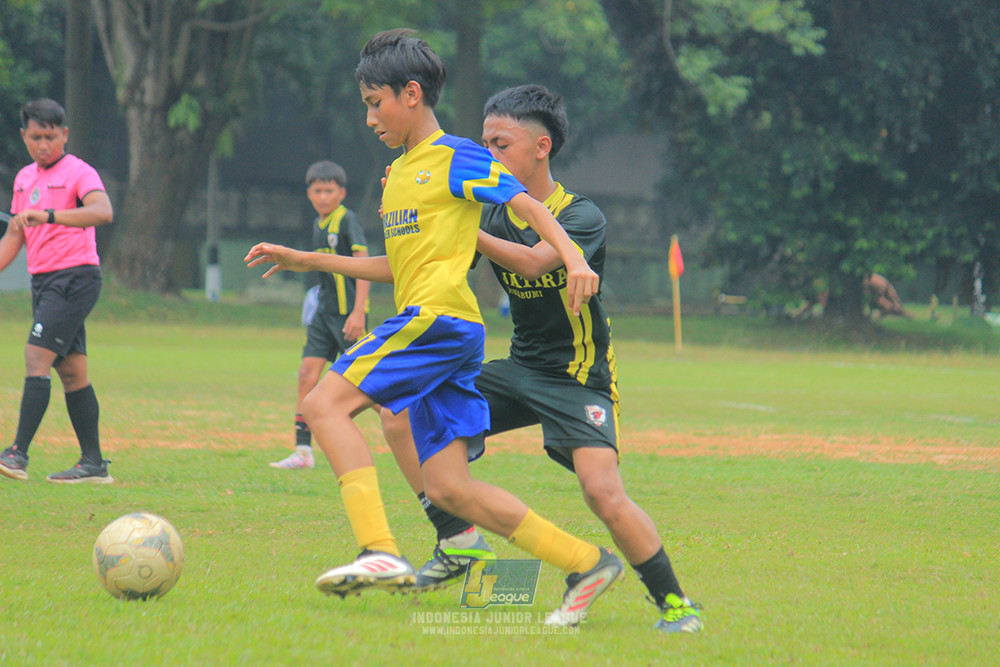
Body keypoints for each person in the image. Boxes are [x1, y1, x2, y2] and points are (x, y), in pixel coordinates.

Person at [245, 29, 622, 624]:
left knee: (322, 407)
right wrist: (306, 258)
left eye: (376, 102)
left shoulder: (457, 156)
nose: (370, 117)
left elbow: (527, 205)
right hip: (438, 327)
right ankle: (584, 561)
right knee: (449, 489)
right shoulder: (397, 176)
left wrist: (574, 257)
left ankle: (379, 551)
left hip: (439, 323)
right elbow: (398, 265)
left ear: (412, 94)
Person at [380, 84, 703, 632]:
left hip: (578, 378)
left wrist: (462, 227)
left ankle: (676, 605)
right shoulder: (489, 205)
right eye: (483, 143)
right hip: (518, 367)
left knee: (602, 493)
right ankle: (456, 537)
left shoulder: (581, 215)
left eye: (499, 143)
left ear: (541, 147)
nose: (487, 155)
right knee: (399, 413)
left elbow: (534, 263)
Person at [0, 98, 114, 483]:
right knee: (72, 371)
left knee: (37, 357)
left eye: (50, 137)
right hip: (44, 282)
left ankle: (17, 454)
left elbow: (102, 212)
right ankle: (93, 464)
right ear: (24, 137)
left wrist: (50, 215)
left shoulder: (78, 172)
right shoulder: (23, 179)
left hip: (75, 278)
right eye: (35, 137)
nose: (43, 144)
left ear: (64, 135)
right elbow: (13, 238)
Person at [270, 160, 370, 470]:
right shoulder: (317, 225)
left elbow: (365, 265)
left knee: (372, 386)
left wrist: (358, 312)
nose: (323, 197)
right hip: (323, 315)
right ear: (309, 193)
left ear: (341, 193)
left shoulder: (346, 221)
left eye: (329, 191)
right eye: (317, 191)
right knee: (306, 375)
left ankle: (413, 429)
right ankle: (302, 452)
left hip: (347, 318)